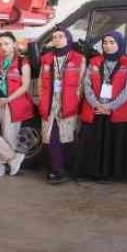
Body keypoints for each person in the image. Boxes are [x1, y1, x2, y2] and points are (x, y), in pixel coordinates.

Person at [77, 31, 127, 183]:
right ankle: (93, 172)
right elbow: (87, 84)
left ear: (119, 44)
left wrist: (110, 106)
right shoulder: (95, 61)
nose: (108, 46)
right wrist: (96, 104)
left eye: (112, 42)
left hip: (116, 111)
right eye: (105, 43)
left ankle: (111, 174)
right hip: (95, 109)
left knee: (113, 142)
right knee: (93, 142)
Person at [0, 32, 33, 177]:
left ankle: (1, 165)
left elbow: (25, 85)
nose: (3, 47)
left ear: (14, 44)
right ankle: (13, 158)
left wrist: (8, 99)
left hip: (13, 102)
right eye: (0, 44)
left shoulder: (23, 62)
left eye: (7, 44)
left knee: (9, 136)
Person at [38, 27, 86, 184]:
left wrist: (76, 102)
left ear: (68, 38)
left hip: (68, 101)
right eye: (55, 36)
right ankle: (56, 169)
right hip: (49, 101)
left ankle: (64, 167)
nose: (57, 39)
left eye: (61, 36)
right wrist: (41, 100)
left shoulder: (79, 58)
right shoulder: (46, 58)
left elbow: (81, 83)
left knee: (66, 137)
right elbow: (40, 82)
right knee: (51, 136)